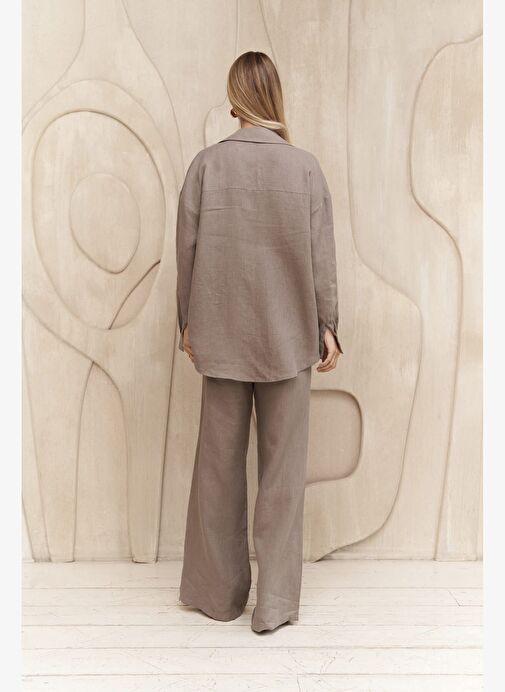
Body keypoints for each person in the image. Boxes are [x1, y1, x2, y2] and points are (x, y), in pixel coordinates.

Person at [176, 51, 343, 633]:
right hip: (289, 333)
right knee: (282, 475)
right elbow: (321, 255)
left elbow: (187, 251)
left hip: (220, 334)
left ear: (234, 100)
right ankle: (273, 604)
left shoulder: (206, 165)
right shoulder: (304, 169)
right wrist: (327, 324)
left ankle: (218, 596)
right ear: (274, 96)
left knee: (217, 471)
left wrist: (187, 322)